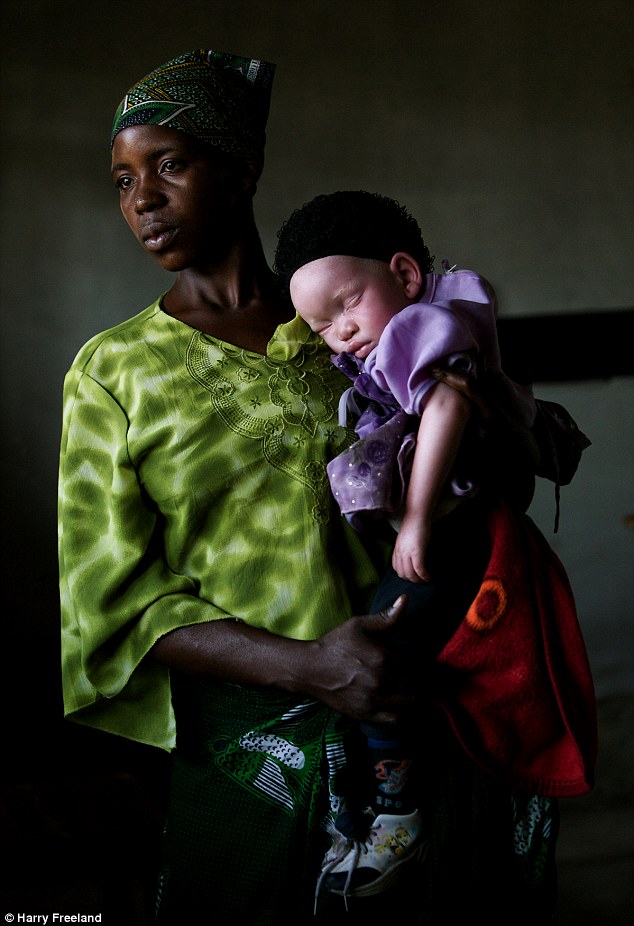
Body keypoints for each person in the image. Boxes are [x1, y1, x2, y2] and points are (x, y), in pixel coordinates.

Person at [58, 50, 596, 926]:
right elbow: (110, 602)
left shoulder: (352, 324)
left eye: (170, 164)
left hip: (430, 723)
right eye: (122, 180)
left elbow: (510, 467)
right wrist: (314, 669)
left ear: (242, 169)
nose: (142, 199)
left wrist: (496, 431)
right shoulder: (113, 374)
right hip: (254, 751)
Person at [274, 190, 597, 907]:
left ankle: (395, 817)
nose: (341, 331)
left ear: (405, 274)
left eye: (347, 304)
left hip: (453, 534)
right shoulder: (393, 340)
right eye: (321, 326)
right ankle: (378, 811)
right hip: (452, 533)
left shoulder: (425, 326)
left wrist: (416, 518)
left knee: (381, 656)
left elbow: (446, 404)